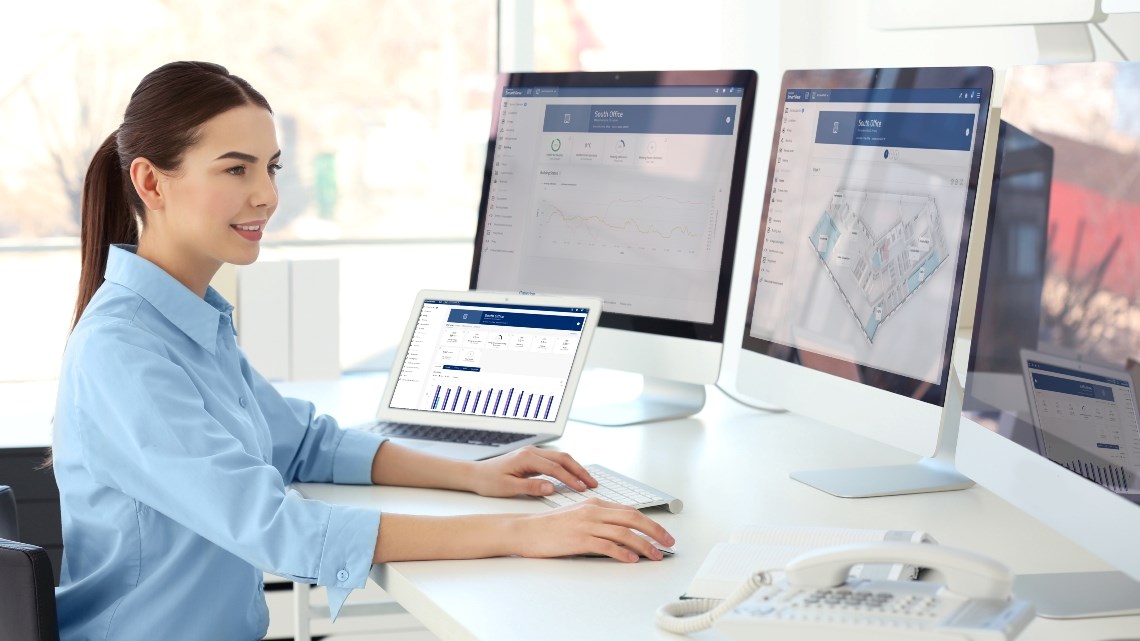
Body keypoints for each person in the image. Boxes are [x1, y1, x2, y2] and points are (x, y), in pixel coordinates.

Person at [52, 61, 673, 641]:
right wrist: (525, 533)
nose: (266, 196)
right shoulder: (125, 351)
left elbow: (304, 443)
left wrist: (475, 477)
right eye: (235, 169)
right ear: (150, 183)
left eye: (272, 168)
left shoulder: (189, 321)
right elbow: (277, 529)